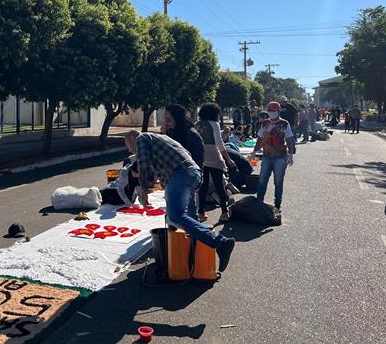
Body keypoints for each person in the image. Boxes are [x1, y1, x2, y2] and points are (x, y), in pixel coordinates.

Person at [124, 130, 236, 272]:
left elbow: (143, 164)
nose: (129, 150)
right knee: (190, 215)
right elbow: (166, 166)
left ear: (132, 139)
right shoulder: (160, 139)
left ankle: (220, 243)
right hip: (193, 174)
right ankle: (195, 256)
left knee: (175, 216)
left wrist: (144, 190)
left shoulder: (141, 139)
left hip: (181, 174)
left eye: (128, 145)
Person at [196, 102, 237, 223]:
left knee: (202, 185)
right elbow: (220, 144)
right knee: (219, 185)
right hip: (213, 156)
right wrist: (228, 160)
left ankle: (201, 212)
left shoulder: (197, 125)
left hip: (201, 157)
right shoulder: (214, 124)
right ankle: (224, 212)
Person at [251, 102, 295, 214]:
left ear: (279, 111)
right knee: (262, 180)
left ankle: (277, 205)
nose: (271, 112)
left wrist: (290, 154)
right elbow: (260, 139)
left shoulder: (284, 124)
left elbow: (289, 140)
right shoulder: (264, 123)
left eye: (273, 110)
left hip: (280, 156)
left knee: (278, 181)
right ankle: (259, 203)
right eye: (269, 110)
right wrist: (255, 151)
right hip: (266, 156)